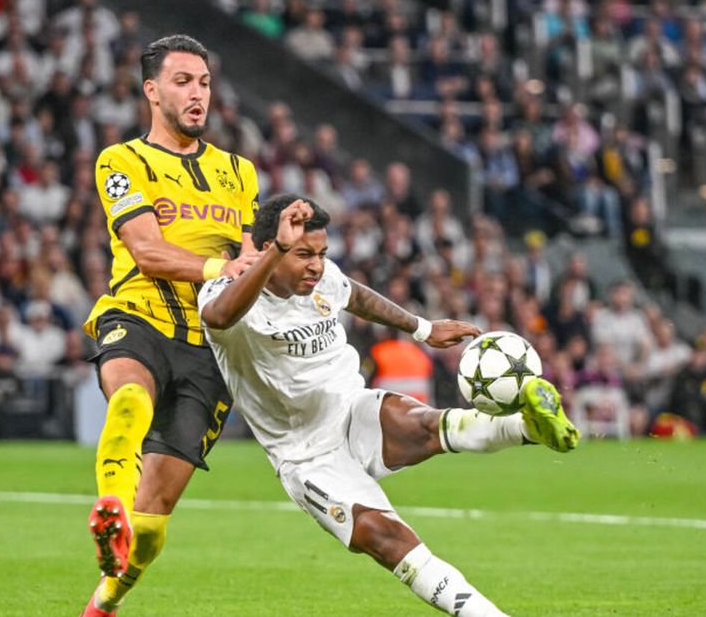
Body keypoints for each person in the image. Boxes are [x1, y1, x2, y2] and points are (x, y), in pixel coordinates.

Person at [197, 195, 580, 617]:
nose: (316, 266)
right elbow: (218, 318)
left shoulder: (320, 279)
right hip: (307, 455)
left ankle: (528, 427)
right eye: (303, 254)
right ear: (272, 247)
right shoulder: (228, 293)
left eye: (322, 254)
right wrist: (278, 253)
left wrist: (423, 327)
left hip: (350, 406)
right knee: (389, 539)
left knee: (425, 424)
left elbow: (354, 295)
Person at [81, 35, 260, 617]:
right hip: (139, 315)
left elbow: (253, 265)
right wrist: (224, 267)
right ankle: (108, 506)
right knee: (130, 395)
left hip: (211, 351)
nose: (197, 93)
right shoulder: (121, 161)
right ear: (151, 92)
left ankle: (101, 603)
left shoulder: (239, 173)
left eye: (204, 83)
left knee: (154, 526)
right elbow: (148, 250)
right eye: (183, 81)